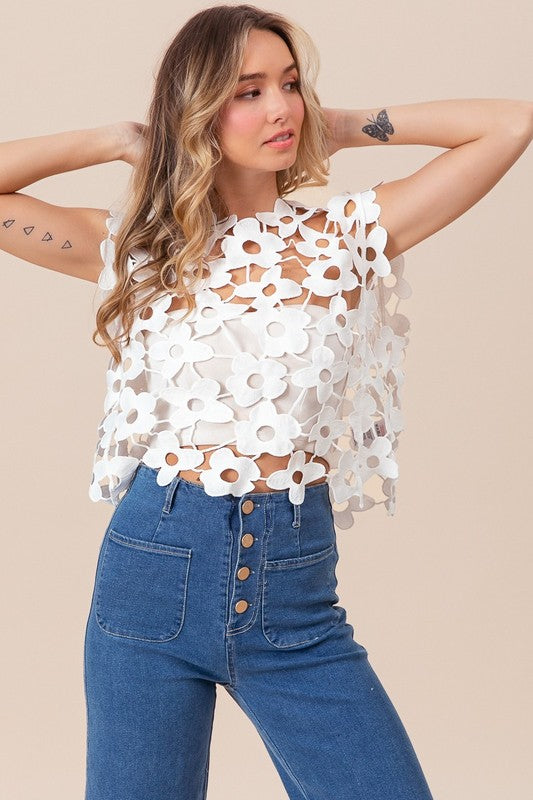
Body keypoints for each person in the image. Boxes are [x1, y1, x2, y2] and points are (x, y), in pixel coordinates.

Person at [1, 4, 531, 799]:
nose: (280, 106)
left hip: (293, 593)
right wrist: (118, 139)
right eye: (247, 91)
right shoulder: (138, 250)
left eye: (290, 85)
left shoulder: (348, 235)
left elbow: (509, 122)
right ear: (195, 111)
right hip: (152, 577)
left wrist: (339, 126)